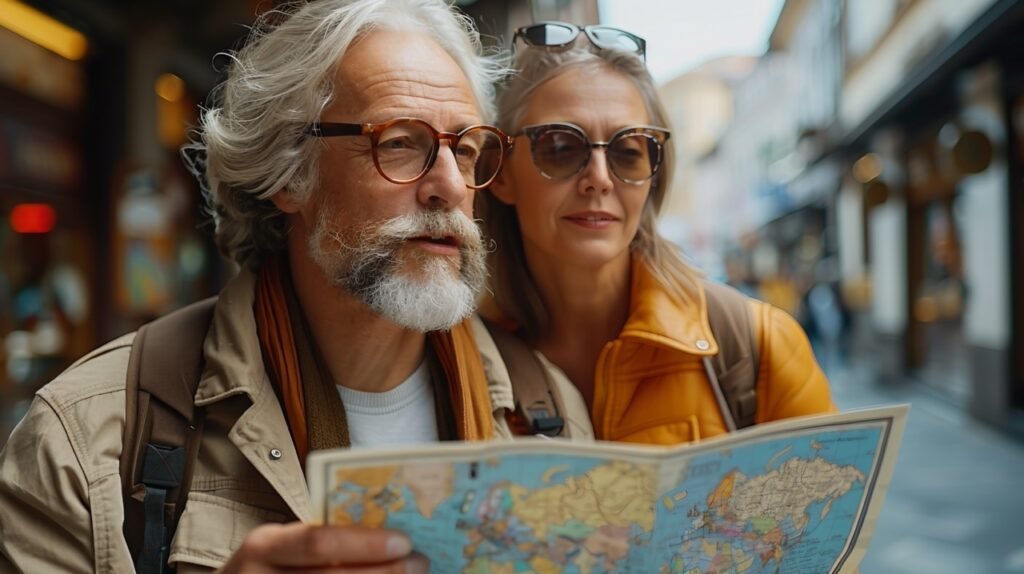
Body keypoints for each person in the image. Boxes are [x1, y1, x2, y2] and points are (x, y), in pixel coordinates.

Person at [0, 0, 516, 572]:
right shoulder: (85, 439)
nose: (448, 185)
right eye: (398, 142)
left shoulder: (542, 416)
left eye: (465, 149)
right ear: (290, 172)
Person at [477, 22, 836, 445]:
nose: (599, 179)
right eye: (559, 147)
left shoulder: (757, 346)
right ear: (500, 172)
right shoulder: (458, 353)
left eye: (628, 151)